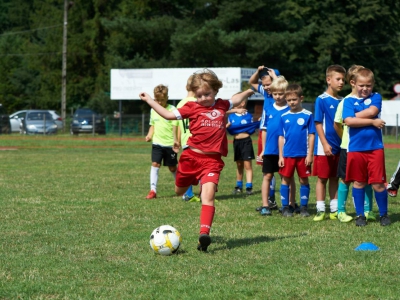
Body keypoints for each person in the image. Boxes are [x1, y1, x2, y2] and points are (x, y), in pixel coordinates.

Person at [139, 69, 255, 251]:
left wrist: (249, 91)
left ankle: (204, 235)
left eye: (206, 94)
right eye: (199, 95)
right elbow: (169, 115)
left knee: (208, 197)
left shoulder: (222, 105)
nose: (202, 98)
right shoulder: (192, 107)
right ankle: (191, 183)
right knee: (179, 191)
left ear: (216, 91)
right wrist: (150, 101)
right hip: (190, 158)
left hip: (212, 162)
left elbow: (237, 98)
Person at [343, 67, 390, 226]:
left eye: (368, 85)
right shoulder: (348, 101)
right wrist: (372, 121)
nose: (365, 88)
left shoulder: (376, 97)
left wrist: (352, 117)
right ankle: (360, 216)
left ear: (373, 84)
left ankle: (383, 215)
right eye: (361, 85)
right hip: (356, 149)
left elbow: (372, 110)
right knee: (359, 182)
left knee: (378, 183)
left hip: (375, 148)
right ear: (353, 83)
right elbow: (349, 122)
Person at [334, 65, 375, 223]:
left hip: (367, 147)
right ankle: (341, 211)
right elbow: (337, 123)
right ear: (353, 82)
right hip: (349, 148)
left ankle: (368, 209)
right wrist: (345, 138)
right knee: (345, 179)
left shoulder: (369, 100)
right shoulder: (345, 102)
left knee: (367, 178)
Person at [257, 76, 296, 216]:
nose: (278, 97)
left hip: (286, 151)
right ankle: (265, 205)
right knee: (267, 176)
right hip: (270, 150)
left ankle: (291, 204)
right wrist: (263, 150)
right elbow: (264, 130)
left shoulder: (291, 109)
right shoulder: (267, 109)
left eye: (281, 94)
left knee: (287, 177)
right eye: (275, 94)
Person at [312, 65, 346, 221]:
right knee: (322, 178)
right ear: (328, 79)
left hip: (340, 147)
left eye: (343, 80)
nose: (341, 82)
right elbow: (318, 123)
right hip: (324, 147)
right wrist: (325, 143)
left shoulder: (343, 100)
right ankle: (320, 209)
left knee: (335, 177)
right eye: (338, 79)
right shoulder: (321, 99)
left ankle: (334, 210)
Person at [278, 84, 315, 217]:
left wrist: (310, 154)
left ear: (301, 98)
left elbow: (311, 135)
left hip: (303, 155)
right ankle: (285, 207)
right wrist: (281, 156)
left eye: (294, 99)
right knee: (285, 180)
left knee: (303, 180)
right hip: (288, 154)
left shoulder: (308, 115)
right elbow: (281, 137)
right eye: (289, 100)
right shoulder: (283, 116)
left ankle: (304, 208)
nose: (291, 102)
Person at [249, 66, 280, 209]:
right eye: (265, 85)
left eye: (269, 84)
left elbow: (281, 84)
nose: (267, 87)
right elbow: (252, 82)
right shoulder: (265, 93)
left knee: (283, 167)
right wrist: (257, 71)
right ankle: (270, 199)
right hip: (265, 132)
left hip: (279, 133)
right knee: (266, 166)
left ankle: (287, 201)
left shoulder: (281, 94)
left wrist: (275, 77)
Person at [144, 84, 179, 199]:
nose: (159, 103)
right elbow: (152, 125)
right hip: (157, 143)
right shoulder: (153, 110)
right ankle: (153, 190)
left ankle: (181, 187)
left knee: (172, 168)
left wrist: (176, 140)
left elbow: (176, 126)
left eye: (162, 100)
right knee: (155, 164)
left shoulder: (172, 110)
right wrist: (149, 135)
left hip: (170, 145)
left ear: (167, 98)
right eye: (157, 100)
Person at [226, 97, 260, 195]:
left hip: (246, 142)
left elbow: (252, 127)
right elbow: (230, 129)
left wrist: (259, 121)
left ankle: (249, 187)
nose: (234, 103)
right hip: (236, 142)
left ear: (243, 103)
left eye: (236, 101)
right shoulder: (231, 116)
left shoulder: (249, 116)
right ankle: (238, 186)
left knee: (247, 165)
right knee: (239, 165)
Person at [176, 75, 200, 203]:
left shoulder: (180, 103)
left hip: (185, 141)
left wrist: (178, 140)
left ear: (186, 87)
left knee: (189, 169)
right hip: (196, 140)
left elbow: (178, 125)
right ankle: (204, 194)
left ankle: (188, 194)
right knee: (202, 167)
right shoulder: (197, 103)